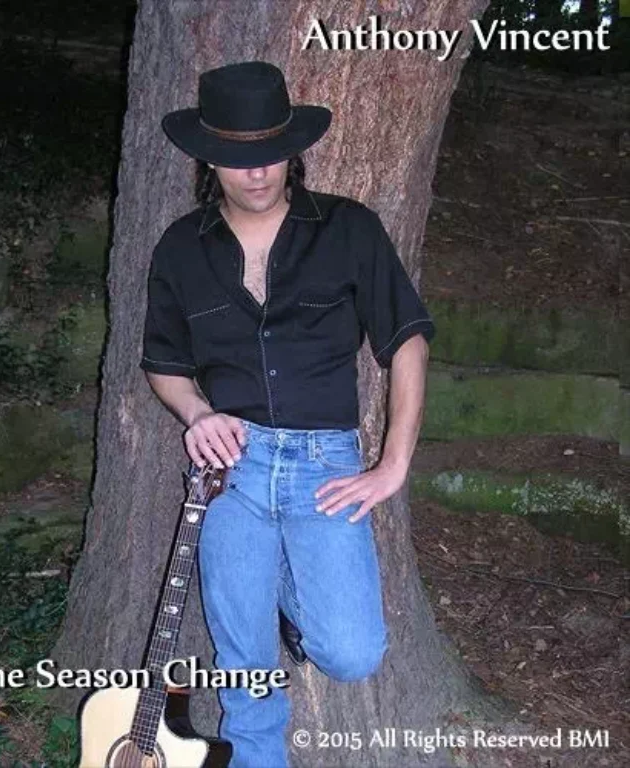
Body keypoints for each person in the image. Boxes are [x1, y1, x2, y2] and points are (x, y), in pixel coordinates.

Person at [139, 61, 436, 768]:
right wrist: (197, 414)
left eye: (271, 152)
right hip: (227, 476)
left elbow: (408, 340)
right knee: (246, 680)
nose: (258, 172)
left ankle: (284, 598)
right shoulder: (182, 248)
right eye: (240, 158)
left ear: (293, 149)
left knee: (351, 652)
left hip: (324, 468)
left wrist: (392, 464)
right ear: (210, 157)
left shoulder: (348, 229)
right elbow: (163, 362)